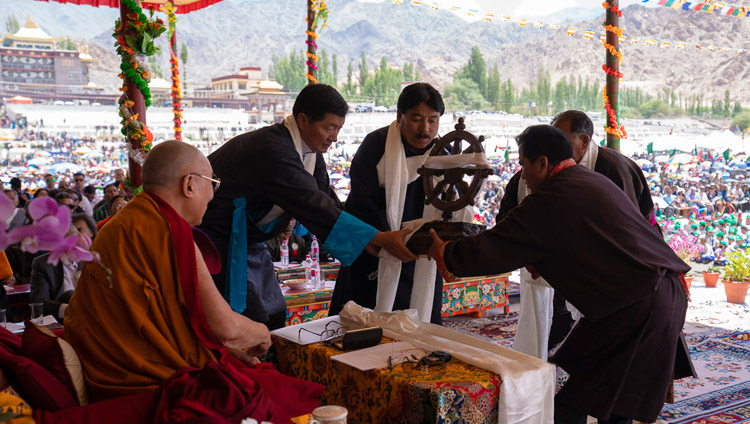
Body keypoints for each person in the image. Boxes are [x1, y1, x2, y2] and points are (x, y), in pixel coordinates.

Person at [429, 125, 694, 424]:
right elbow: (592, 244)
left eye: (524, 165)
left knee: (578, 402)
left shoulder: (552, 198)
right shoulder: (591, 180)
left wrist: (446, 252)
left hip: (638, 305)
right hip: (655, 294)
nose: (523, 175)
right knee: (612, 400)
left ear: (542, 163)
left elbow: (494, 246)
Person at [65, 141, 323, 421]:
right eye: (212, 182)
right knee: (294, 395)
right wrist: (263, 333)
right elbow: (226, 327)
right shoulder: (168, 231)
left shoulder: (120, 224)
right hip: (148, 382)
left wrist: (220, 348)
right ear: (189, 185)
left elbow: (166, 319)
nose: (213, 194)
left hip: (106, 373)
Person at [199, 84, 415, 330]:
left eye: (338, 128)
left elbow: (328, 201)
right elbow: (312, 204)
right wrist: (379, 238)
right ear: (303, 120)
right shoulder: (273, 149)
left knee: (275, 311)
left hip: (248, 241)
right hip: (218, 239)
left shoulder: (310, 154)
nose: (334, 137)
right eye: (329, 127)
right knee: (247, 319)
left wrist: (370, 240)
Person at [497, 110, 656, 359]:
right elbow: (507, 220)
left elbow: (624, 235)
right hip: (545, 270)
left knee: (607, 350)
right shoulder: (532, 172)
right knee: (546, 331)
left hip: (611, 276)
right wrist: (529, 255)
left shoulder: (612, 171)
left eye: (561, 138)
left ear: (583, 141)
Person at [329, 82, 447, 324]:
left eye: (433, 120)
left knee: (419, 329)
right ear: (399, 115)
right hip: (373, 249)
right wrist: (387, 240)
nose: (425, 129)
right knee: (365, 327)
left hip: (420, 259)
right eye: (416, 118)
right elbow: (363, 203)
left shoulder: (443, 154)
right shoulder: (376, 146)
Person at [30, 216, 96, 323]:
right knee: (69, 295)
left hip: (91, 315)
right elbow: (39, 302)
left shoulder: (89, 260)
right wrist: (68, 310)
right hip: (62, 319)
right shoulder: (43, 264)